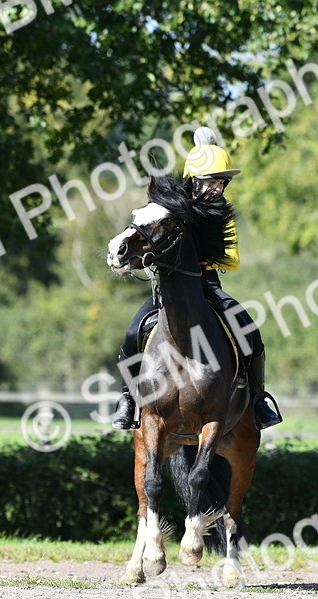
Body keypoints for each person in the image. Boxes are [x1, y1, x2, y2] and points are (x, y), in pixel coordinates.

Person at [111, 127, 283, 430]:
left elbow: (233, 259)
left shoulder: (223, 215)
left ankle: (258, 400)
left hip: (208, 285)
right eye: (211, 181)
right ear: (193, 180)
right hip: (169, 291)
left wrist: (206, 260)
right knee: (131, 332)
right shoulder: (172, 211)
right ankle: (127, 397)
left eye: (221, 182)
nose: (217, 187)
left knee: (248, 330)